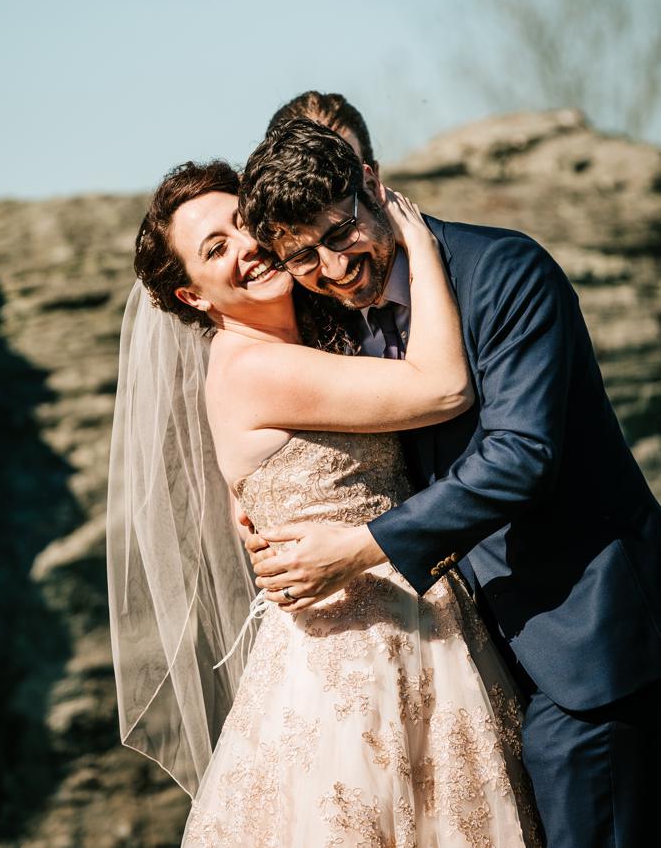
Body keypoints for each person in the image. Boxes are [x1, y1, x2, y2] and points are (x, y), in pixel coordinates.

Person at [237, 118, 661, 846]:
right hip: (480, 661)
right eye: (303, 256)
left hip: (585, 636)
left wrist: (357, 546)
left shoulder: (505, 272)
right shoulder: (337, 322)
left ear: (372, 185)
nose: (334, 268)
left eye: (341, 234)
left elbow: (522, 455)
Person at [109, 159, 541, 844]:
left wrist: (244, 491)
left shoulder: (308, 333)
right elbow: (442, 388)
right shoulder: (254, 366)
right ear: (194, 296)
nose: (246, 246)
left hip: (415, 621)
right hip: (353, 657)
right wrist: (420, 243)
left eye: (244, 223)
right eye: (215, 248)